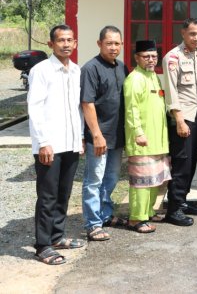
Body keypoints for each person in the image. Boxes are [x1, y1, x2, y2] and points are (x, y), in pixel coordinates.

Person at [29, 25, 84, 265]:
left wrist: (80, 137)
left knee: (63, 193)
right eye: (61, 40)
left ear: (75, 43)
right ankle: (42, 245)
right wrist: (43, 143)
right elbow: (35, 108)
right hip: (49, 144)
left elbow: (77, 109)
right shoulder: (41, 70)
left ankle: (58, 236)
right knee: (47, 196)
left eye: (70, 40)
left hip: (70, 144)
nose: (66, 44)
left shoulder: (75, 70)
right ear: (51, 44)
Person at [80, 26, 128, 241]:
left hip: (117, 136)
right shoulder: (91, 68)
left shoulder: (121, 67)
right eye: (109, 43)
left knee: (111, 178)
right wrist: (97, 135)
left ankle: (106, 214)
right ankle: (92, 224)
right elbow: (87, 104)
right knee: (94, 180)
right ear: (99, 44)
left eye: (117, 43)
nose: (113, 47)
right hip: (99, 136)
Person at [123, 40, 171, 234]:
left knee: (154, 180)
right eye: (146, 56)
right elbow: (131, 109)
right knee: (141, 182)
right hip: (142, 140)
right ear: (137, 58)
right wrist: (138, 133)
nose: (150, 60)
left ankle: (148, 211)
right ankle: (136, 218)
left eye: (153, 56)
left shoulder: (153, 76)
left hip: (157, 140)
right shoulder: (134, 79)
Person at [162, 18, 197, 226]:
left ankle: (183, 200)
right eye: (192, 34)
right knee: (181, 164)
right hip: (184, 118)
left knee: (191, 161)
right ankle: (174, 208)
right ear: (183, 33)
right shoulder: (173, 57)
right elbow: (171, 91)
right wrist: (179, 120)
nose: (196, 38)